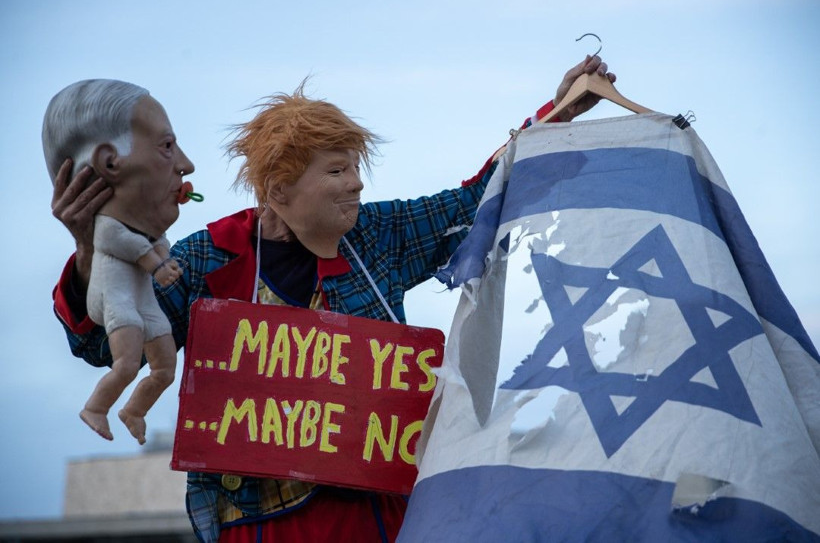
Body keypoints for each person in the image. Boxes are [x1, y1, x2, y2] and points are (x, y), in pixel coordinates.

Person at [50, 56, 615, 542]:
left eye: (356, 168)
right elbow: (102, 344)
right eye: (338, 170)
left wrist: (555, 114)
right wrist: (86, 253)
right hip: (260, 526)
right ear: (279, 190)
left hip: (378, 520)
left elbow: (474, 200)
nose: (357, 185)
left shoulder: (377, 238)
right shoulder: (207, 261)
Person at [43, 79, 195, 445]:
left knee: (164, 367)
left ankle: (134, 409)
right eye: (167, 147)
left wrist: (159, 260)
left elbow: (153, 250)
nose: (187, 165)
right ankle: (97, 407)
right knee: (126, 361)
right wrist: (89, 248)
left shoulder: (161, 239)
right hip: (119, 301)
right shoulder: (114, 233)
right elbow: (96, 349)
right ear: (110, 162)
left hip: (141, 301)